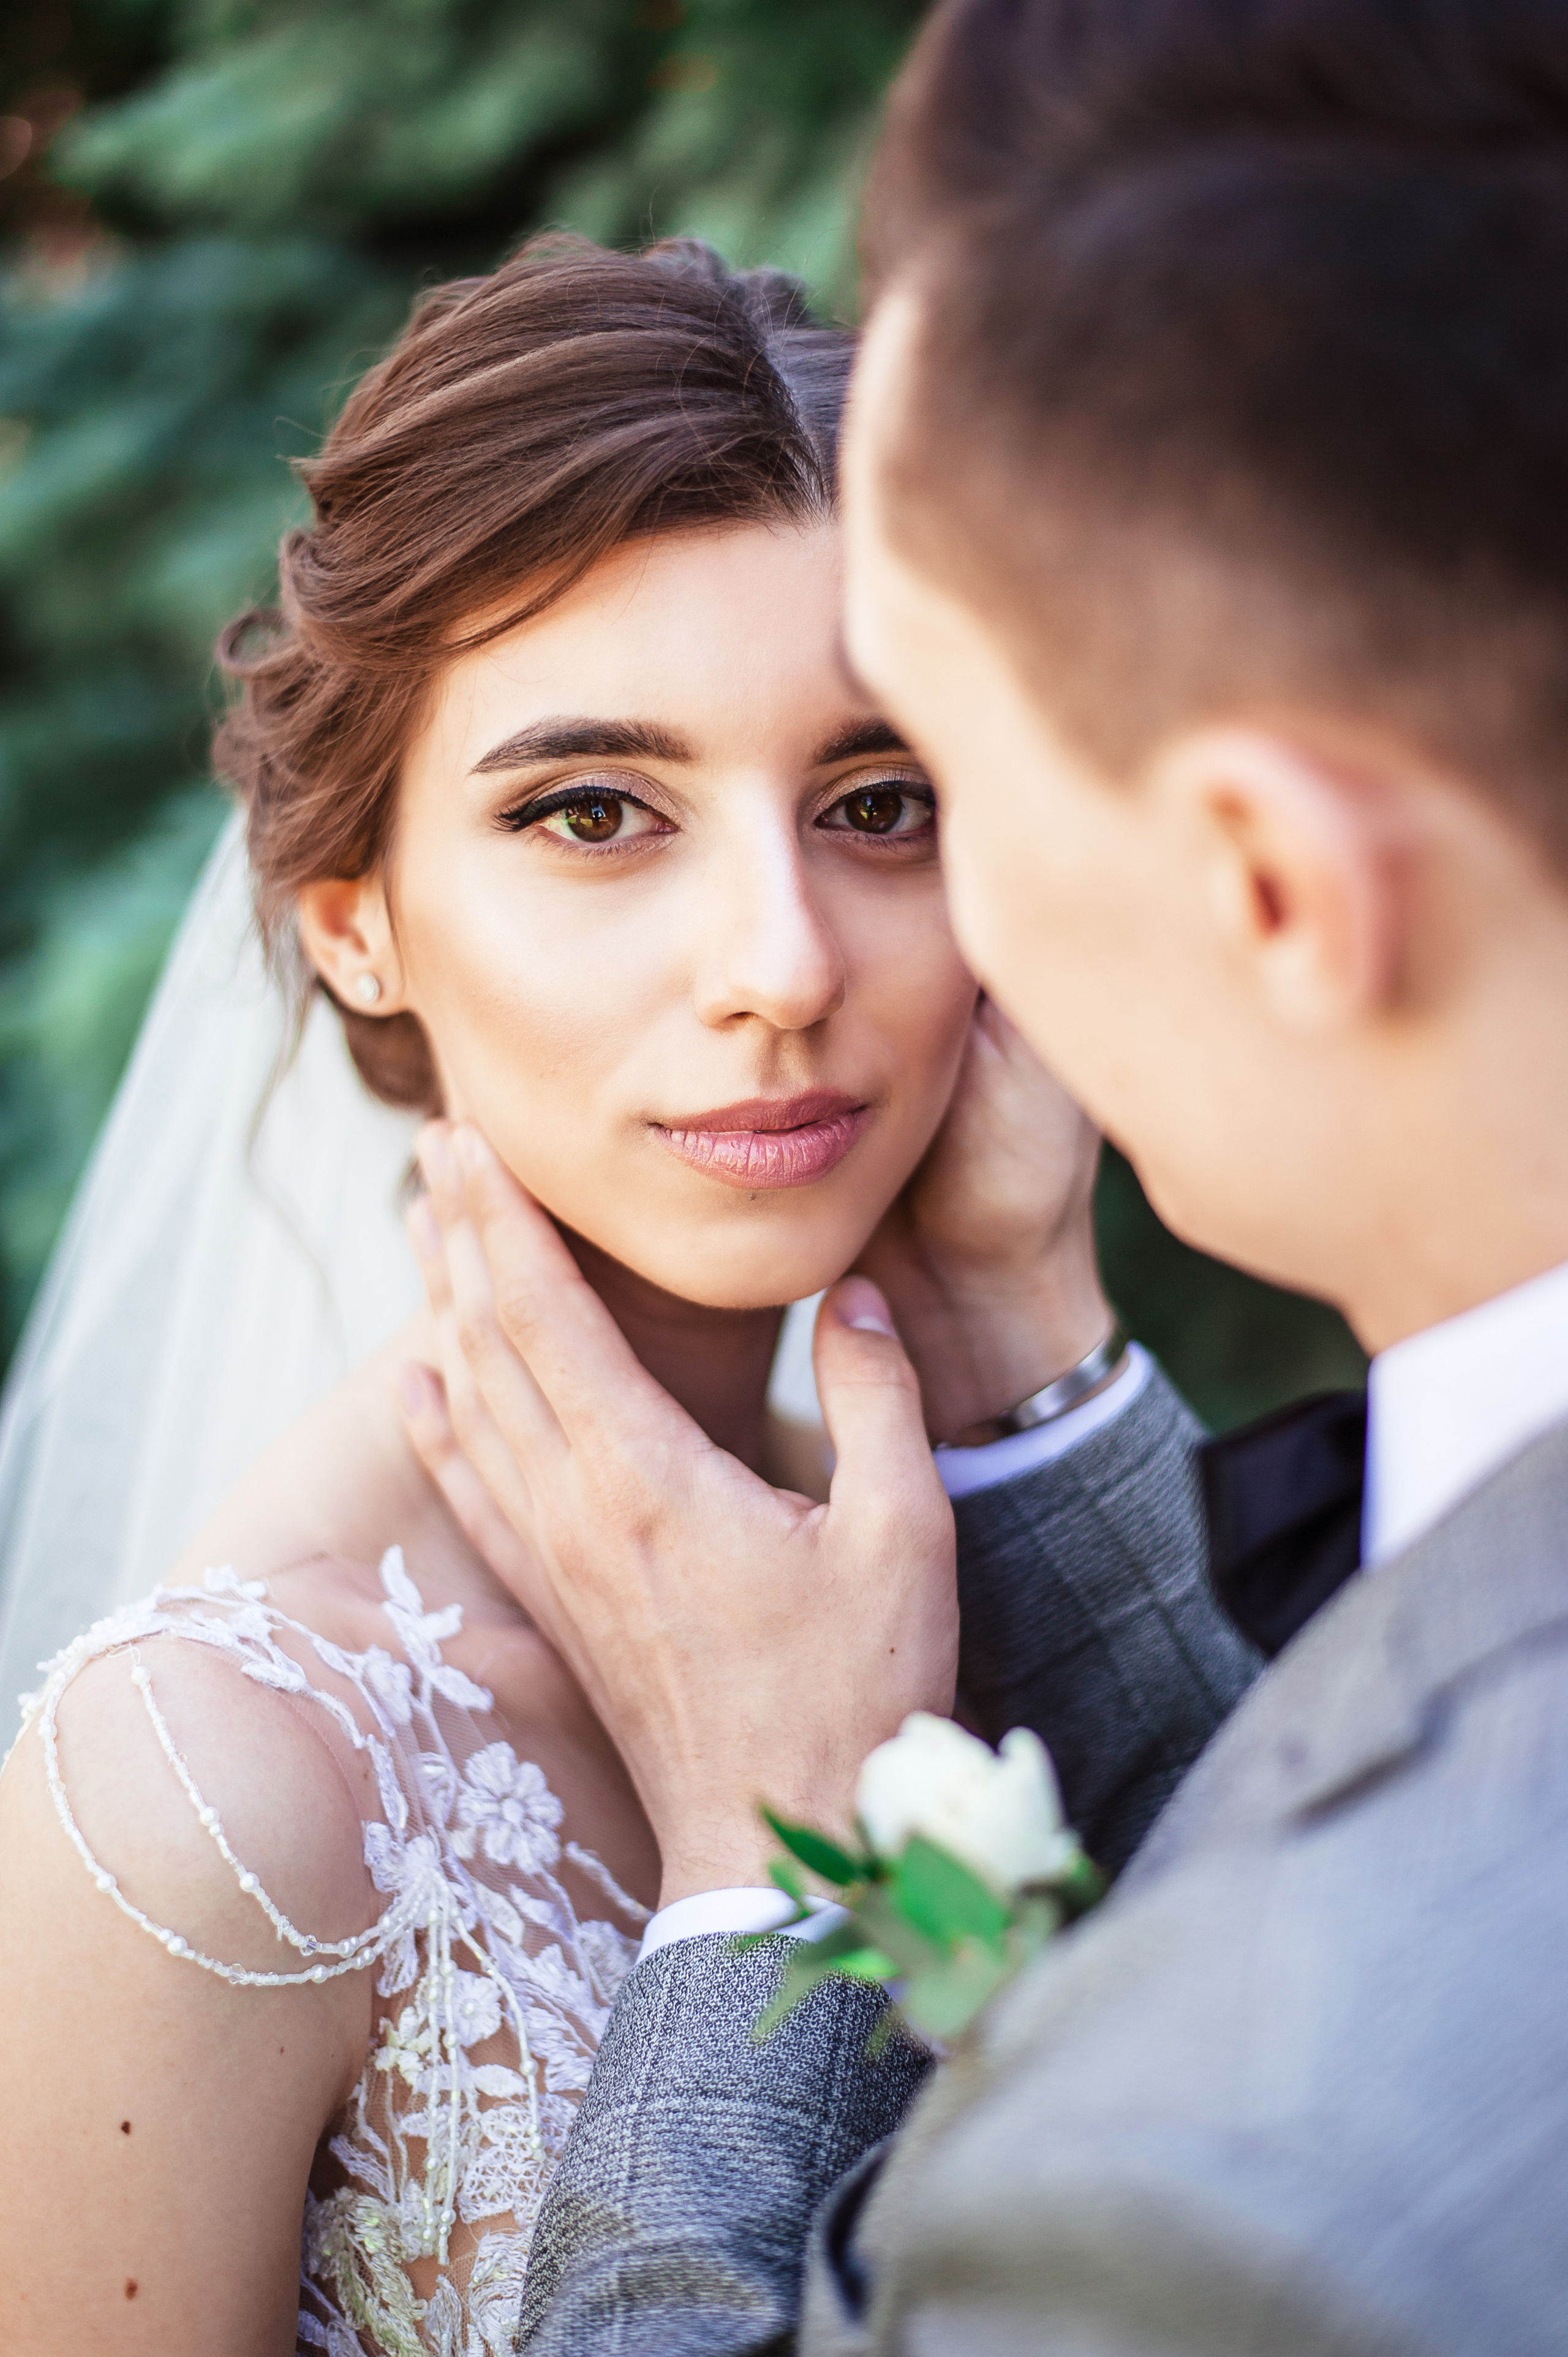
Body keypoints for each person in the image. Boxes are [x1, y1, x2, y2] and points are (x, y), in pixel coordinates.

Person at [382, 4, 1568, 2351]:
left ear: (1274, 887)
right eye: (600, 810)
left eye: (924, 780)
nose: (801, 966)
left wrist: (770, 1876)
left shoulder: (1243, 2210)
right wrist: (1034, 1362)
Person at [0, 229, 1246, 2355]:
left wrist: (1022, 1328)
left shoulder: (918, 1551)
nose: (782, 959)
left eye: (882, 802)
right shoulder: (206, 1788)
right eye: (596, 811)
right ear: (358, 923)